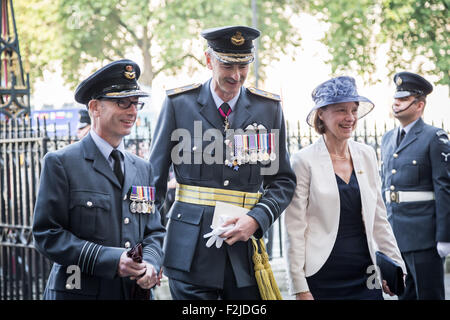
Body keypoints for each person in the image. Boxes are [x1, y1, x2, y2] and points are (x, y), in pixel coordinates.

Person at [149, 25, 296, 300]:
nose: (236, 75)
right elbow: (152, 182)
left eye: (243, 65)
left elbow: (283, 181)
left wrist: (256, 219)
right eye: (227, 64)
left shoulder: (268, 109)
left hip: (244, 255)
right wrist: (149, 246)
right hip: (188, 253)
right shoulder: (179, 104)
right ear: (209, 60)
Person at [32, 59, 165, 300]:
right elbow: (47, 234)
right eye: (122, 102)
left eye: (136, 103)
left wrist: (151, 263)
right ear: (94, 107)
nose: (133, 111)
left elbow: (154, 231)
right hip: (80, 292)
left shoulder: (142, 168)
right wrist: (112, 260)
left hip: (133, 293)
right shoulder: (61, 163)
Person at [285, 76, 406, 300]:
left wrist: (397, 264)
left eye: (354, 110)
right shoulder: (303, 160)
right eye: (341, 110)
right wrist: (300, 288)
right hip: (321, 275)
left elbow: (379, 217)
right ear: (321, 113)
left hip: (366, 273)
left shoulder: (367, 154)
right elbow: (294, 230)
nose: (350, 118)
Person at [380, 71, 450, 300]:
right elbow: (385, 186)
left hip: (425, 238)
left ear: (419, 105)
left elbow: (444, 188)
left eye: (403, 99)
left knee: (430, 295)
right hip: (397, 234)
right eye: (395, 98)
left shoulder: (434, 137)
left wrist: (444, 237)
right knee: (404, 296)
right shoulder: (388, 138)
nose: (396, 103)